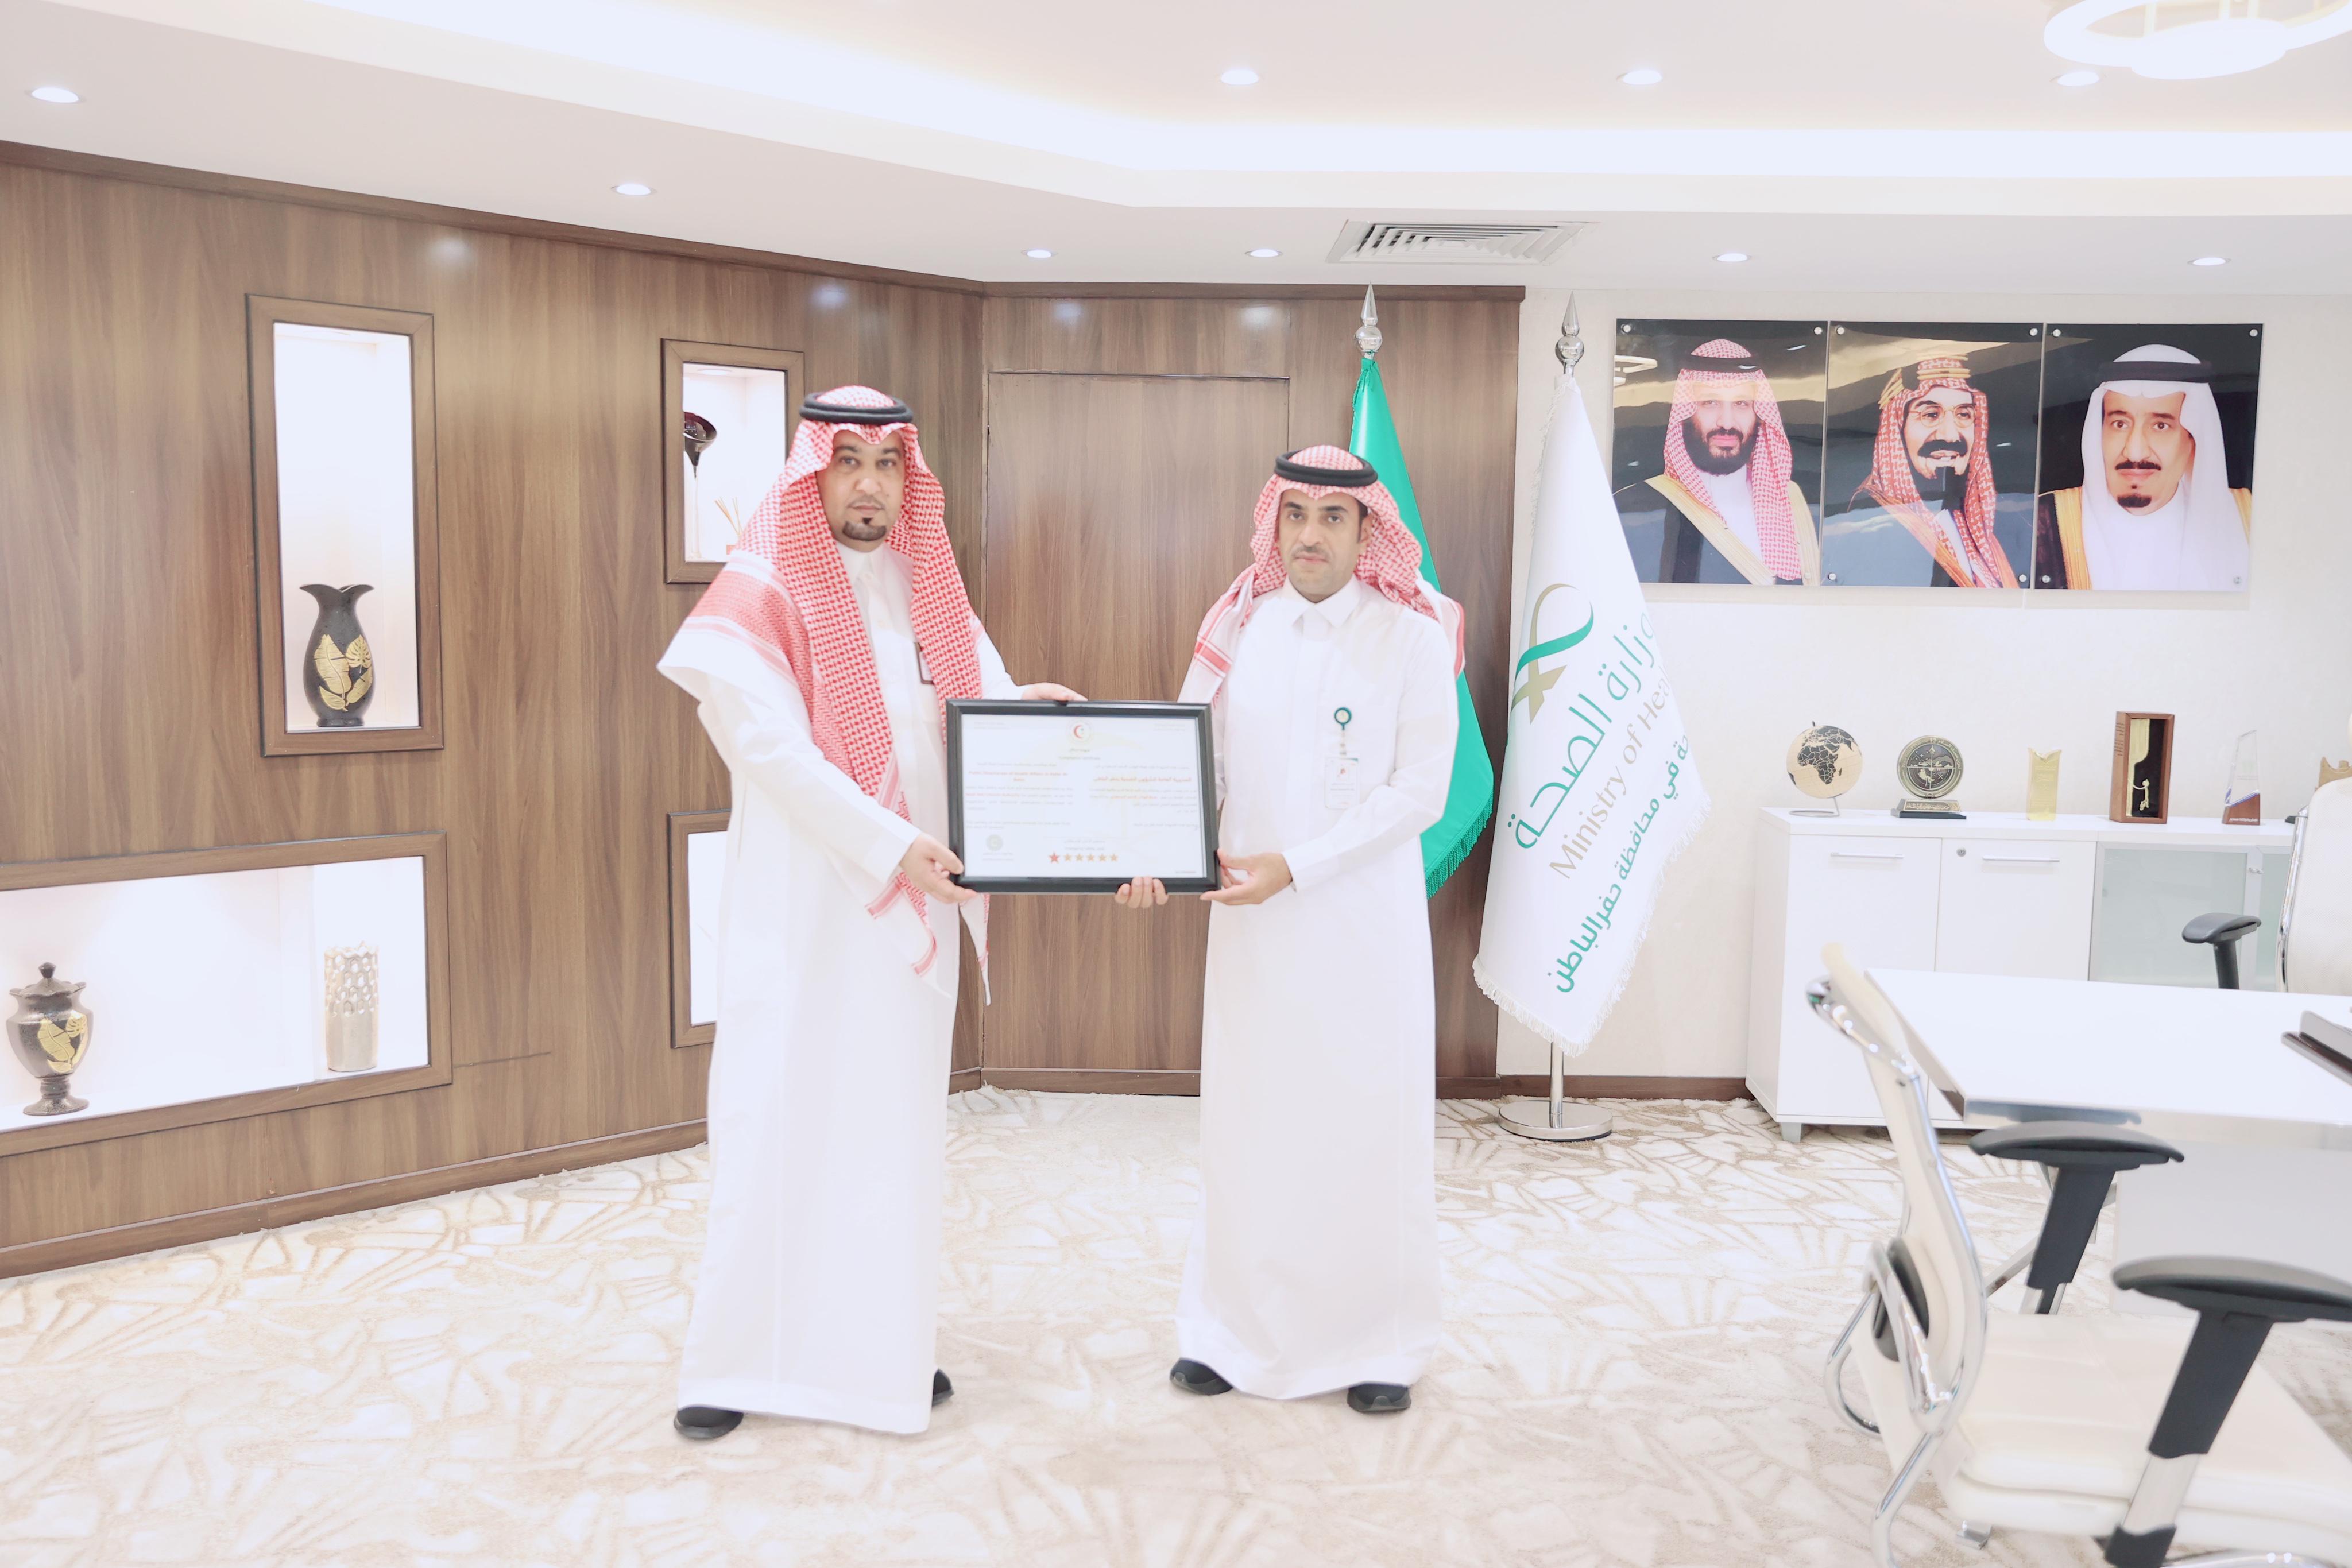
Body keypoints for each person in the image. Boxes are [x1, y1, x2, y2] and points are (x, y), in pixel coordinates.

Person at [656, 385, 1080, 1439]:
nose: (869, 484)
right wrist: (891, 844)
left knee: (890, 1129)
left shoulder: (929, 583)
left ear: (908, 479)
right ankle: (736, 1361)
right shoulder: (762, 587)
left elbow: (972, 702)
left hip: (913, 908)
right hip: (806, 906)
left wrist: (1030, 713)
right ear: (814, 472)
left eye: (888, 465)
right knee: (775, 1113)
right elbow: (768, 750)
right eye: (848, 460)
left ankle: (879, 1349)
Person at [1115, 446, 1461, 1415]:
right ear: (1274, 523)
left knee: (1365, 1124)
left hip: (1364, 932)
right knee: (1251, 1122)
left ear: (1366, 529)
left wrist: (1298, 866)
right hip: (1254, 930)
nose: (1311, 534)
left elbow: (1420, 792)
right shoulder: (1237, 626)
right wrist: (1150, 855)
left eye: (1333, 517)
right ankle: (1228, 1332)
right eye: (1295, 515)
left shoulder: (1413, 636)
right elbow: (1190, 770)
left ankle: (1379, 1343)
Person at [2033, 344, 2252, 590]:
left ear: (2193, 440)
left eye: (2160, 426)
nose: (2134, 451)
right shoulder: (2042, 522)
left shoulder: (2249, 518)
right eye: (2120, 424)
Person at [1613, 339, 1821, 585]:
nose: (1727, 423)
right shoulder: (1631, 508)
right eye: (1710, 403)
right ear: (1686, 412)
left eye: (1742, 404)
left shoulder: (1796, 503)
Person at [1823, 355, 2018, 588]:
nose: (1950, 435)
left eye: (1964, 415)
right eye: (1931, 415)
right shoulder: (1872, 520)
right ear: (1897, 428)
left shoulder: (1965, 520)